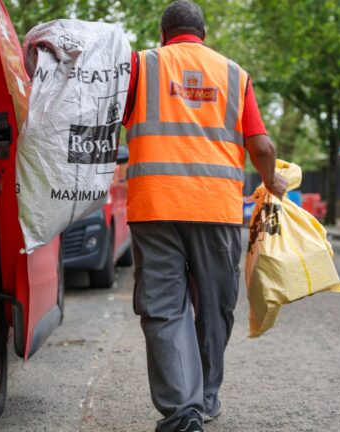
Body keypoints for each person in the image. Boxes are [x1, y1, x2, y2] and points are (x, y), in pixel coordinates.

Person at [121, 1, 287, 431]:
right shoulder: (234, 74)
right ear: (204, 34)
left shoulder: (139, 67)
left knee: (163, 308)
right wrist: (273, 182)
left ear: (162, 34)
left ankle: (182, 410)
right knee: (215, 306)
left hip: (155, 208)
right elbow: (263, 148)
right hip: (217, 210)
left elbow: (111, 124)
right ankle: (207, 397)